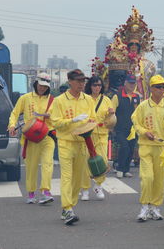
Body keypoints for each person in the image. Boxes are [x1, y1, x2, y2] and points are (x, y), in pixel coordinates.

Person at [50, 69, 99, 225]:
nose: (81, 84)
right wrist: (72, 120)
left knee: (78, 179)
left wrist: (90, 124)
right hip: (65, 142)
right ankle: (68, 208)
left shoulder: (88, 100)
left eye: (83, 81)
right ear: (69, 81)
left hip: (82, 143)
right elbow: (55, 122)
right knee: (66, 176)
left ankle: (67, 208)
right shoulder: (59, 100)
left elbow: (94, 119)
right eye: (78, 81)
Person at [130, 74, 164, 222]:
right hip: (146, 146)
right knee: (147, 177)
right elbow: (135, 121)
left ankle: (155, 207)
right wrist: (144, 132)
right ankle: (144, 206)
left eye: (163, 87)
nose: (161, 89)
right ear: (151, 88)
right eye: (158, 87)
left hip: (163, 147)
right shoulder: (144, 106)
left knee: (160, 179)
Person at [7, 73, 55, 205]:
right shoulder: (25, 98)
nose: (42, 88)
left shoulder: (52, 100)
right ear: (35, 83)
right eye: (40, 85)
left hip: (47, 135)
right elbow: (15, 113)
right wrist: (12, 125)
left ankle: (46, 191)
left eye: (45, 87)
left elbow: (57, 117)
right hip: (31, 137)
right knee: (31, 166)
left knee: (47, 163)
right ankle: (31, 193)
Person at [80, 76, 115, 201]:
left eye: (99, 85)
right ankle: (84, 189)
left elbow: (110, 120)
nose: (97, 87)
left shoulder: (106, 100)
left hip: (102, 134)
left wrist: (111, 114)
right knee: (85, 162)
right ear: (90, 86)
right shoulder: (84, 99)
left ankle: (98, 185)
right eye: (94, 85)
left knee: (103, 161)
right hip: (87, 134)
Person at [111, 73, 141, 178]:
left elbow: (139, 112)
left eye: (133, 83)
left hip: (133, 129)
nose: (131, 85)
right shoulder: (117, 96)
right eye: (130, 83)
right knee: (124, 147)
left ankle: (126, 169)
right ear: (125, 83)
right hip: (120, 128)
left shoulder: (137, 97)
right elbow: (112, 112)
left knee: (131, 148)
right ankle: (120, 168)